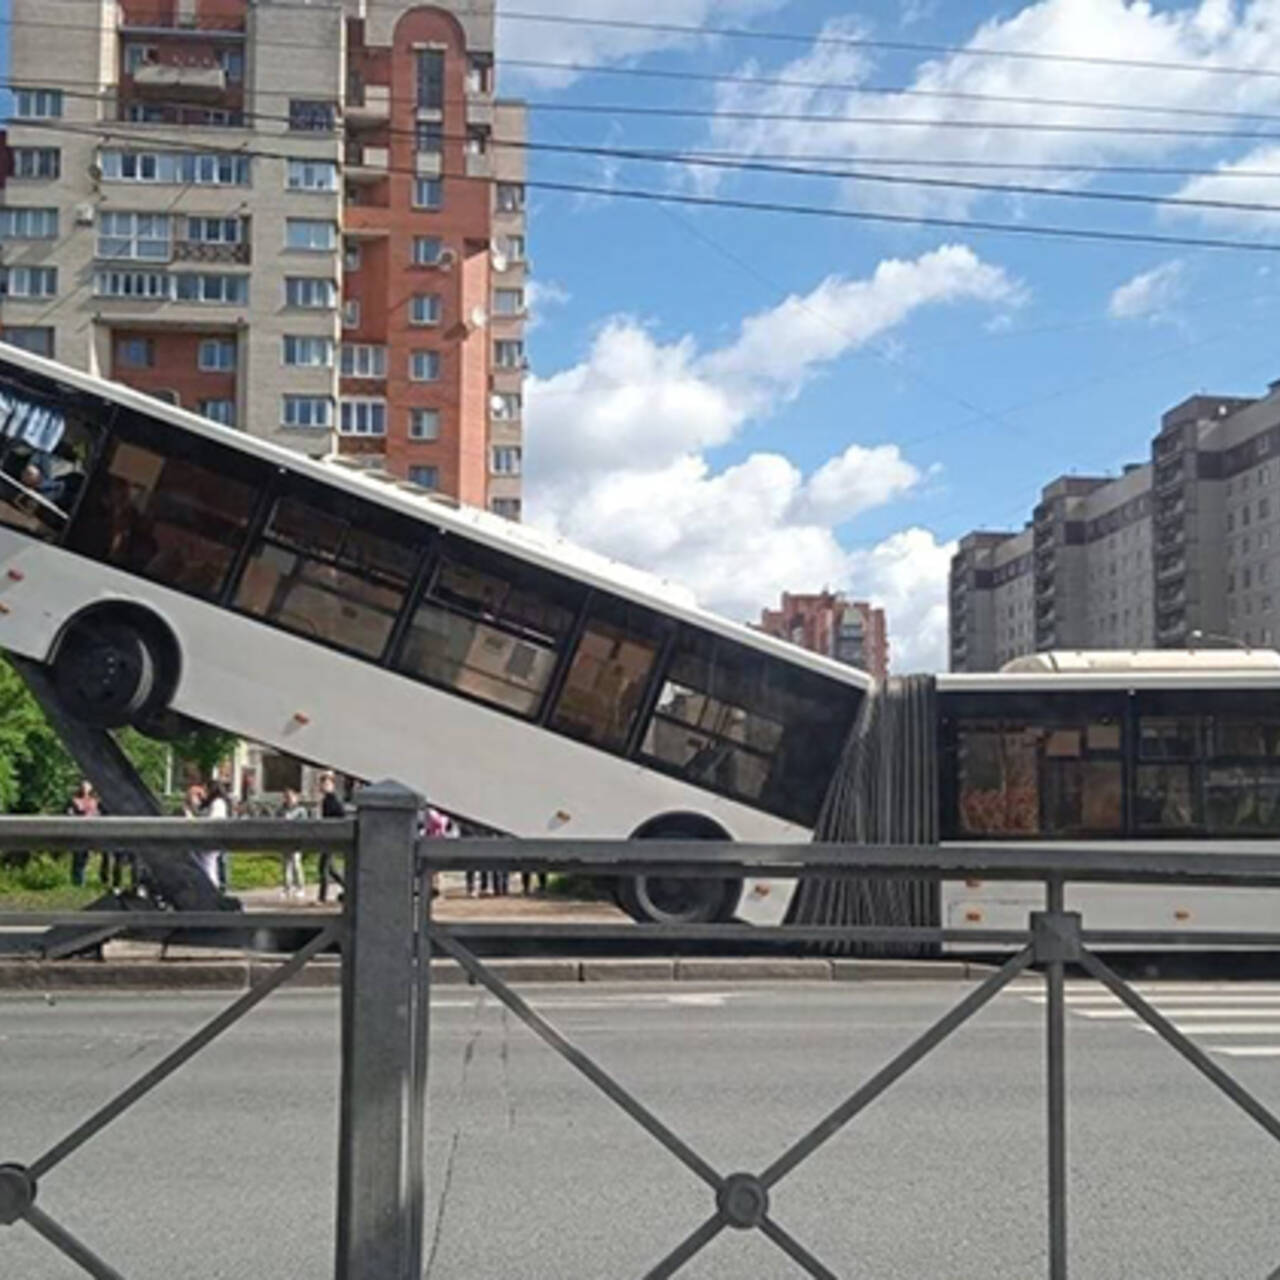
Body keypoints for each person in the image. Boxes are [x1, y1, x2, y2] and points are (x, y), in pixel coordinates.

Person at [184, 782, 220, 890]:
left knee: (207, 865)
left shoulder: (215, 804)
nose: (201, 798)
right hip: (207, 840)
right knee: (208, 865)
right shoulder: (210, 805)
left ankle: (210, 888)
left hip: (208, 840)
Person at [317, 773, 346, 903]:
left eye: (326, 784)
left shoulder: (333, 800)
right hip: (327, 837)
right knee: (330, 869)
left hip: (331, 837)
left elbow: (341, 815)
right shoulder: (326, 800)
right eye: (322, 784)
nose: (323, 786)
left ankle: (322, 897)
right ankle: (349, 888)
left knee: (323, 867)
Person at [66, 780, 100, 887]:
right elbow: (70, 813)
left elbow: (97, 814)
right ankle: (78, 882)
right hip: (77, 833)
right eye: (84, 788)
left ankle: (80, 880)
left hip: (89, 834)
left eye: (87, 788)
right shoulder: (75, 801)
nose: (85, 790)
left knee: (84, 858)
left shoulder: (93, 802)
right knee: (78, 858)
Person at [280, 788, 308, 899]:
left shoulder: (301, 810)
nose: (289, 800)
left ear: (296, 798)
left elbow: (304, 825)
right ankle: (287, 888)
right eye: (287, 797)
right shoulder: (281, 810)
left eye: (291, 797)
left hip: (296, 840)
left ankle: (300, 887)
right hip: (285, 840)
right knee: (286, 865)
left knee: (296, 864)